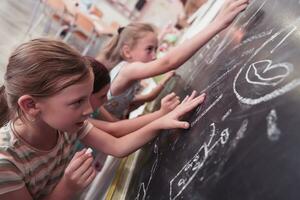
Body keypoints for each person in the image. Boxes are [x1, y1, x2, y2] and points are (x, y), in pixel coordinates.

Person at [0, 38, 205, 199]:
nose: (89, 109)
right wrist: (67, 187)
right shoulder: (5, 164)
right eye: (77, 102)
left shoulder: (66, 125)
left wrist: (162, 121)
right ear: (31, 105)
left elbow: (117, 146)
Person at [98, 0, 249, 119]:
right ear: (127, 52)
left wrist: (164, 82)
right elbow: (168, 62)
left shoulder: (128, 71)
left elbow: (135, 101)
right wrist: (218, 23)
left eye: (155, 49)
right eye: (149, 49)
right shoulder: (127, 70)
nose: (154, 56)